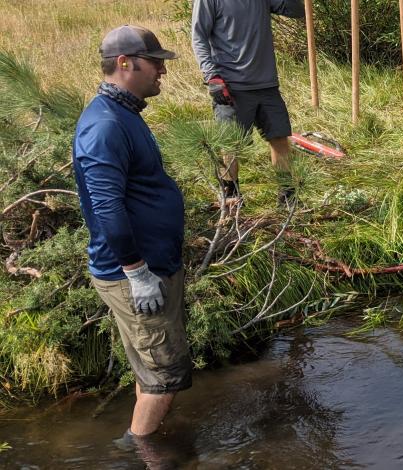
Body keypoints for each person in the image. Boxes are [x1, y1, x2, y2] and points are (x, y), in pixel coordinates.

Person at [73, 25, 191, 450]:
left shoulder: (124, 114)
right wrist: (138, 273)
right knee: (164, 377)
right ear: (124, 63)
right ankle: (140, 453)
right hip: (136, 276)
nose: (163, 69)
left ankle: (137, 446)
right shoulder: (104, 126)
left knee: (150, 373)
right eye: (155, 61)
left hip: (151, 265)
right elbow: (106, 209)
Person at [191, 0, 305, 207]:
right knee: (231, 144)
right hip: (231, 85)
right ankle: (231, 198)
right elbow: (199, 36)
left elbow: (297, 11)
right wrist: (211, 75)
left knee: (279, 137)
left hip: (267, 84)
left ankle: (288, 198)